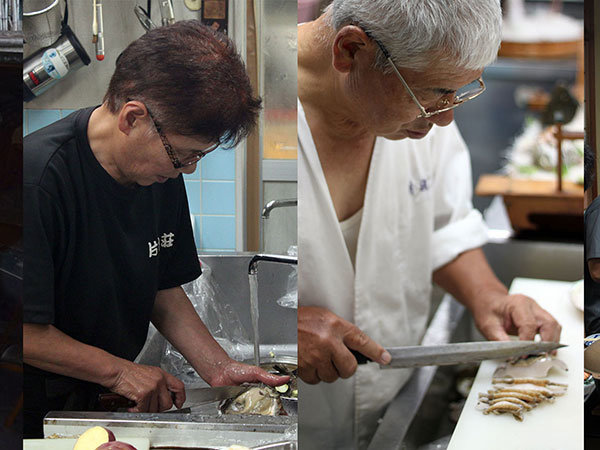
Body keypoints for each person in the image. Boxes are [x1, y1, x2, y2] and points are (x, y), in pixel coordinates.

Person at [297, 1, 562, 448]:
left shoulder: (418, 119)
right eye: (433, 93)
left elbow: (444, 228)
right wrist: (283, 331)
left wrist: (489, 297)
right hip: (286, 418)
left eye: (459, 92)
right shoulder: (247, 107)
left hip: (391, 409)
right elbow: (188, 279)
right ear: (351, 51)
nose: (445, 118)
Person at [23, 21, 287, 438]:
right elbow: (26, 333)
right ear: (133, 117)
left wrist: (218, 367)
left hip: (105, 402)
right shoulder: (35, 181)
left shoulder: (158, 175)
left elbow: (161, 285)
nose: (190, 168)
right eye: (184, 155)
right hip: (34, 409)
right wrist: (120, 373)